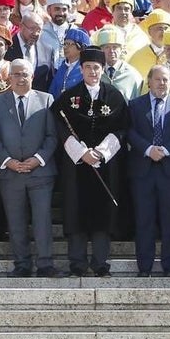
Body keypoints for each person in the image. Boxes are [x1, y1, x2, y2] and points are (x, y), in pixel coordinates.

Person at [52, 47, 128, 277]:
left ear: (102, 69)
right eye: (87, 67)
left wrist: (101, 153)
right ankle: (77, 263)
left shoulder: (114, 96)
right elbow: (61, 128)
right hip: (76, 165)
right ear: (81, 69)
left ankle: (100, 263)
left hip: (105, 165)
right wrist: (81, 152)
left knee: (102, 213)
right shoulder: (68, 97)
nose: (92, 72)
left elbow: (121, 128)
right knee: (76, 211)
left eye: (96, 67)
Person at [0, 58, 58, 277]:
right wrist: (7, 161)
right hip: (9, 173)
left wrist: (38, 158)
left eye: (25, 74)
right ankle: (22, 264)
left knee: (42, 219)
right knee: (15, 221)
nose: (21, 78)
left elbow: (52, 136)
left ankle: (45, 263)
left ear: (32, 76)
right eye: (16, 74)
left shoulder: (47, 99)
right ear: (9, 77)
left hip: (40, 173)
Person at [126, 64, 170, 277]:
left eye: (166, 80)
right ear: (149, 81)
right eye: (158, 79)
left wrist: (166, 149)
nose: (162, 83)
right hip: (142, 171)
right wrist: (148, 149)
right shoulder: (135, 105)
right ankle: (144, 267)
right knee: (143, 220)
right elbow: (130, 131)